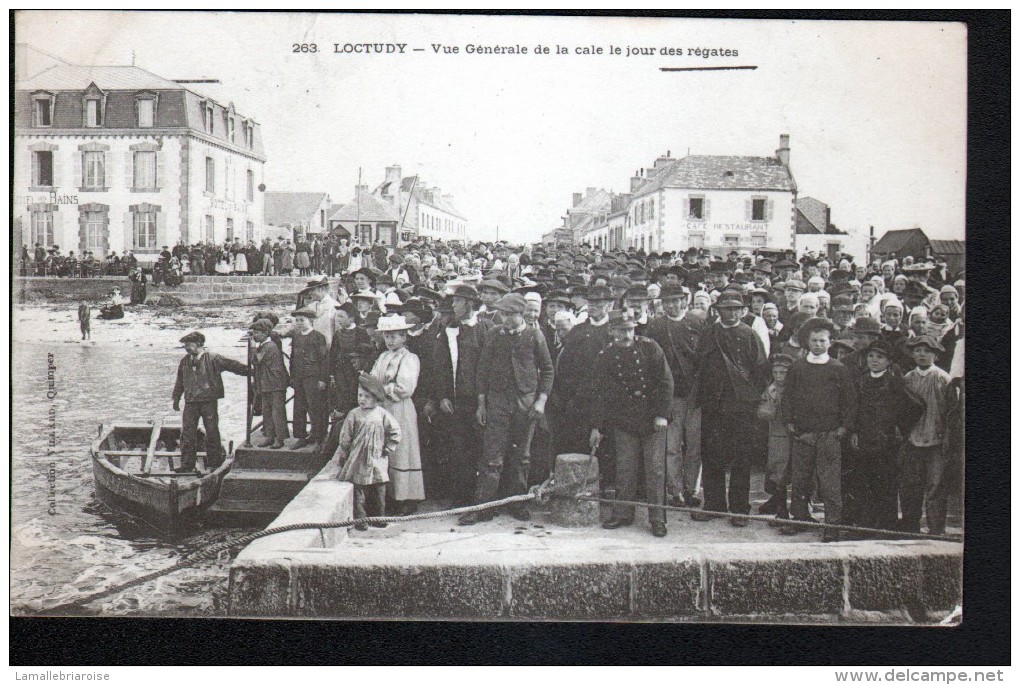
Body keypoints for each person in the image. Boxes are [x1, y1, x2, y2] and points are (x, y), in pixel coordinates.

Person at [459, 293, 554, 525]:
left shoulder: (534, 335)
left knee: (521, 456)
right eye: (502, 314)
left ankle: (517, 504)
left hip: (526, 403)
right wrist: (481, 404)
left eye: (510, 315)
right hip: (497, 402)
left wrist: (541, 401)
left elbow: (548, 370)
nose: (504, 319)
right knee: (492, 458)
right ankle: (484, 507)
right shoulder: (493, 334)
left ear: (521, 314)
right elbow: (482, 371)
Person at [592, 310, 674, 537]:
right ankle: (622, 513)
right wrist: (597, 426)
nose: (626, 334)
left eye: (629, 329)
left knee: (655, 469)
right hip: (625, 420)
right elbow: (600, 393)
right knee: (625, 468)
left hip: (652, 418)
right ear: (611, 331)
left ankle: (658, 518)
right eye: (621, 330)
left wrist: (661, 415)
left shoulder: (650, 348)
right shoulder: (605, 356)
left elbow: (666, 383)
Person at [691, 290, 768, 524]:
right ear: (718, 311)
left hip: (741, 407)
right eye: (727, 308)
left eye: (736, 309)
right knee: (712, 456)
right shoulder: (709, 333)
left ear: (743, 311)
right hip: (713, 404)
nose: (732, 313)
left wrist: (753, 399)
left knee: (741, 458)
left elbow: (760, 370)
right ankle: (714, 504)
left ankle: (739, 509)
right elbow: (699, 365)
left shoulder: (749, 335)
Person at [780, 318, 857, 542]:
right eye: (814, 340)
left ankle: (832, 524)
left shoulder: (838, 369)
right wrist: (790, 423)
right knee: (801, 478)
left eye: (822, 340)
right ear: (807, 341)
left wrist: (843, 429)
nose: (818, 344)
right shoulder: (798, 366)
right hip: (804, 434)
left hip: (829, 435)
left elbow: (849, 402)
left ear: (830, 342)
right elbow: (788, 397)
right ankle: (800, 517)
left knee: (830, 481)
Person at [846, 339, 922, 535]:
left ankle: (886, 526)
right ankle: (865, 525)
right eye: (871, 356)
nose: (874, 360)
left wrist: (900, 428)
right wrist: (854, 431)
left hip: (885, 443)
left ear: (889, 361)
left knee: (885, 484)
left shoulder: (895, 381)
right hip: (863, 440)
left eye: (880, 357)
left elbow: (916, 406)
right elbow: (853, 408)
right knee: (863, 482)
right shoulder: (860, 380)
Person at [428, 286, 492, 506]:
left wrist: (484, 401)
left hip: (482, 400)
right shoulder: (448, 330)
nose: (453, 306)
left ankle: (483, 499)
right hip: (457, 401)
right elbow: (440, 366)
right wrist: (443, 396)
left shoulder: (485, 328)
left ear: (469, 304)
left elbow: (489, 367)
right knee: (459, 448)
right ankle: (462, 497)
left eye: (457, 302)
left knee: (483, 449)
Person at [645, 283, 706, 509]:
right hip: (670, 397)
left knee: (694, 446)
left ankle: (692, 489)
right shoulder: (656, 327)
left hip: (695, 395)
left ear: (684, 301)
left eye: (675, 300)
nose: (671, 305)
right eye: (667, 301)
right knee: (671, 447)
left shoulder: (697, 323)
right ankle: (676, 491)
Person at [370, 314, 426, 515]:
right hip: (383, 408)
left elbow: (405, 387)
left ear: (404, 337)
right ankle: (390, 495)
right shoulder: (383, 357)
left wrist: (382, 389)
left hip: (399, 408)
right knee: (386, 449)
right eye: (387, 335)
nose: (391, 340)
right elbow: (373, 378)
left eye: (395, 336)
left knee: (402, 449)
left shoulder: (409, 358)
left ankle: (407, 497)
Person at [171, 331, 249, 473]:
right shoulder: (185, 361)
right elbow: (179, 382)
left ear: (199, 344)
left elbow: (233, 365)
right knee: (187, 433)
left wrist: (250, 371)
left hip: (208, 402)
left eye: (189, 345)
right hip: (191, 402)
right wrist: (176, 398)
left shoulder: (213, 358)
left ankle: (215, 463)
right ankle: (187, 465)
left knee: (212, 432)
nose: (187, 348)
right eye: (185, 345)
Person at [334, 373, 402, 531]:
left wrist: (388, 448)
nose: (362, 399)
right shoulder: (354, 414)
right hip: (358, 458)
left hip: (377, 458)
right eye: (360, 395)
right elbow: (346, 436)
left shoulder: (382, 414)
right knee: (360, 491)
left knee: (379, 489)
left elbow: (395, 431)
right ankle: (361, 519)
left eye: (367, 396)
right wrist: (344, 452)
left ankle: (379, 517)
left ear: (376, 399)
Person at [900, 335, 952, 535]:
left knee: (936, 486)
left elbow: (950, 411)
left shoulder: (942, 379)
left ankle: (936, 528)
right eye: (918, 351)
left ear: (936, 356)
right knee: (911, 485)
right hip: (913, 440)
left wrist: (946, 436)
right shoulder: (908, 379)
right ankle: (911, 527)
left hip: (936, 441)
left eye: (927, 351)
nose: (922, 355)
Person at [757, 353, 794, 522]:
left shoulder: (794, 388)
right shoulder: (770, 389)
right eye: (776, 372)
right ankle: (779, 506)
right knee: (777, 468)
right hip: (776, 434)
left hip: (793, 433)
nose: (779, 376)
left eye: (783, 372)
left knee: (794, 469)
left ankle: (796, 505)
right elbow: (763, 413)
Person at [289, 307, 329, 450]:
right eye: (297, 320)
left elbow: (324, 359)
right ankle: (300, 436)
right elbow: (293, 358)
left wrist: (323, 379)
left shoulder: (318, 337)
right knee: (299, 407)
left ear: (310, 321)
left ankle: (318, 438)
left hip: (313, 378)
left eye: (302, 320)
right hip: (299, 377)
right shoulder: (296, 337)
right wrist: (292, 376)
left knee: (315, 408)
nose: (299, 323)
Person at [249, 318, 290, 449]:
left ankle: (280, 438)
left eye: (257, 332)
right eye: (254, 332)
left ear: (265, 333)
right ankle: (270, 436)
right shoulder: (265, 346)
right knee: (267, 411)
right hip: (267, 383)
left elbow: (256, 360)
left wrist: (252, 347)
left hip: (275, 384)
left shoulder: (270, 346)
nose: (254, 335)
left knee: (277, 412)